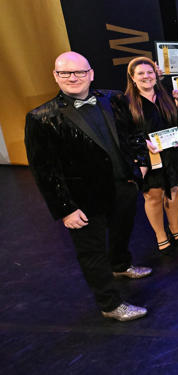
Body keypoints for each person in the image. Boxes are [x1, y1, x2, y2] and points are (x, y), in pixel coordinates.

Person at [25, 51, 151, 322]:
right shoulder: (41, 117)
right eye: (65, 73)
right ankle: (110, 304)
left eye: (79, 72)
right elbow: (44, 171)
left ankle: (121, 265)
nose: (73, 77)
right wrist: (65, 209)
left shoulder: (115, 99)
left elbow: (134, 134)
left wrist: (141, 165)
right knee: (92, 253)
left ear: (91, 74)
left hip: (123, 186)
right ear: (55, 76)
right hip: (82, 200)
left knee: (122, 232)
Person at [121, 57, 178, 253]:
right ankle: (160, 235)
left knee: (174, 190)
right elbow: (124, 133)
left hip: (172, 153)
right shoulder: (126, 103)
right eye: (141, 73)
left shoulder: (164, 96)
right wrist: (144, 144)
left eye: (150, 72)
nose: (146, 76)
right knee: (154, 196)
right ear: (132, 77)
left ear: (156, 75)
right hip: (148, 157)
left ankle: (175, 229)